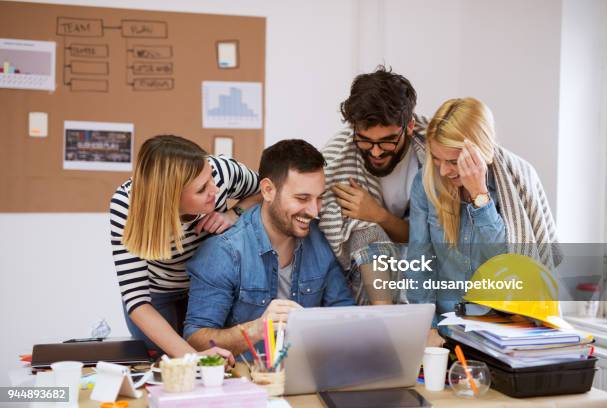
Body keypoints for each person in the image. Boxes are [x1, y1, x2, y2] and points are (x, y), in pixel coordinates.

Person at [407, 97, 561, 345]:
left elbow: (512, 265)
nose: (443, 170)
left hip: (503, 333)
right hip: (445, 332)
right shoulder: (425, 184)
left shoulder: (518, 180)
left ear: (479, 151)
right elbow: (419, 262)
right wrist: (428, 328)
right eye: (436, 159)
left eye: (453, 161)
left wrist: (480, 196)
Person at [183, 139, 354, 355]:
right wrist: (256, 329)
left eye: (319, 198)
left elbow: (346, 315)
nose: (313, 211)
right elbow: (195, 339)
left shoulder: (321, 240)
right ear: (267, 190)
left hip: (309, 375)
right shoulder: (224, 251)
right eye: (302, 198)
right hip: (248, 379)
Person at [109, 134, 260, 359]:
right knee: (170, 363)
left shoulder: (221, 172)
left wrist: (233, 213)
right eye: (201, 189)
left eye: (211, 179)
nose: (215, 189)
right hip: (157, 296)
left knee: (226, 356)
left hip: (211, 287)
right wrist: (192, 358)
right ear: (170, 198)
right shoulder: (127, 206)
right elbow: (137, 300)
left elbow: (266, 189)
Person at [319, 66, 428, 305]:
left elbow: (429, 237)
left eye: (387, 141)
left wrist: (378, 215)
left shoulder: (431, 159)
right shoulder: (339, 156)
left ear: (409, 127)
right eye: (366, 141)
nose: (376, 152)